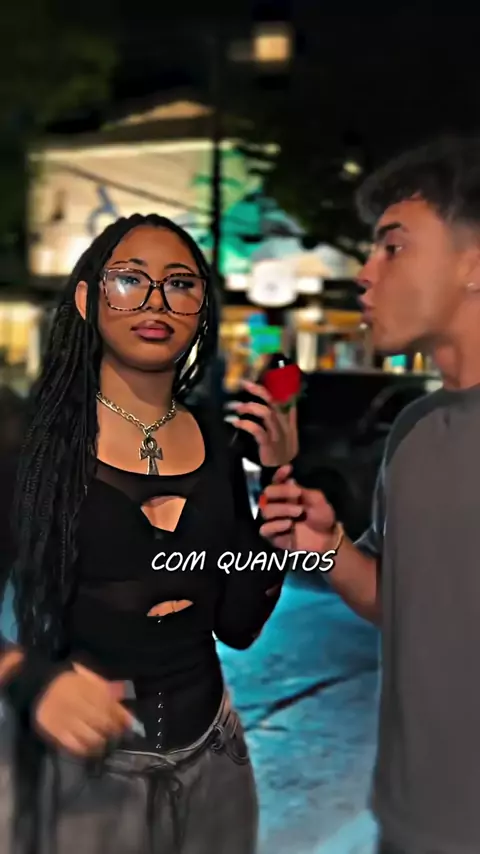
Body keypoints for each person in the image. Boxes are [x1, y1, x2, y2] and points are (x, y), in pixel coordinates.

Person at [0, 213, 297, 854]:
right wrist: (30, 678)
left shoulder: (218, 448)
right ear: (88, 300)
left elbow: (238, 626)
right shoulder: (29, 448)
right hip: (80, 771)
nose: (157, 301)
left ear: (202, 310)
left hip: (214, 760)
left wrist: (276, 497)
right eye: (131, 280)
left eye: (180, 284)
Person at [259, 135, 480, 854]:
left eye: (393, 247)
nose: (365, 272)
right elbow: (402, 605)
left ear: (474, 263)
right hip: (410, 821)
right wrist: (327, 547)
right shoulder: (414, 432)